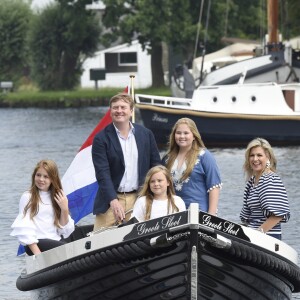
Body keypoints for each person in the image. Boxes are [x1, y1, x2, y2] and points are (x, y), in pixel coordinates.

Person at [92, 92, 161, 230]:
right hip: (111, 200)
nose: (119, 111)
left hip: (140, 198)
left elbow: (156, 167)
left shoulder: (146, 134)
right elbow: (102, 173)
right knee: (100, 241)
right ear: (110, 111)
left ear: (131, 111)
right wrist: (113, 201)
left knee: (140, 242)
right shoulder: (101, 139)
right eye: (115, 107)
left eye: (123, 107)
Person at [10, 160, 75, 256]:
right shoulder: (28, 197)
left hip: (55, 240)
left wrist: (64, 209)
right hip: (38, 243)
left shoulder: (57, 196)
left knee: (79, 240)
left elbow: (63, 230)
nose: (41, 179)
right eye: (38, 175)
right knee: (71, 250)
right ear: (34, 176)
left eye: (46, 176)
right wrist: (39, 256)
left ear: (53, 179)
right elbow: (25, 228)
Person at [162, 118, 222, 215]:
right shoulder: (167, 159)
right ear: (174, 135)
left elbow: (214, 186)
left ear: (194, 136)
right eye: (178, 133)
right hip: (174, 213)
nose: (182, 136)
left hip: (199, 213)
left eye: (186, 133)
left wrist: (211, 215)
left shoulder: (204, 156)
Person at [240, 138, 290, 240]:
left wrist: (258, 234)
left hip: (267, 238)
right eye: (252, 155)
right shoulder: (252, 182)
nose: (255, 159)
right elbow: (247, 217)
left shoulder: (270, 179)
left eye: (259, 155)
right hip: (251, 236)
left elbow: (278, 215)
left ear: (268, 158)